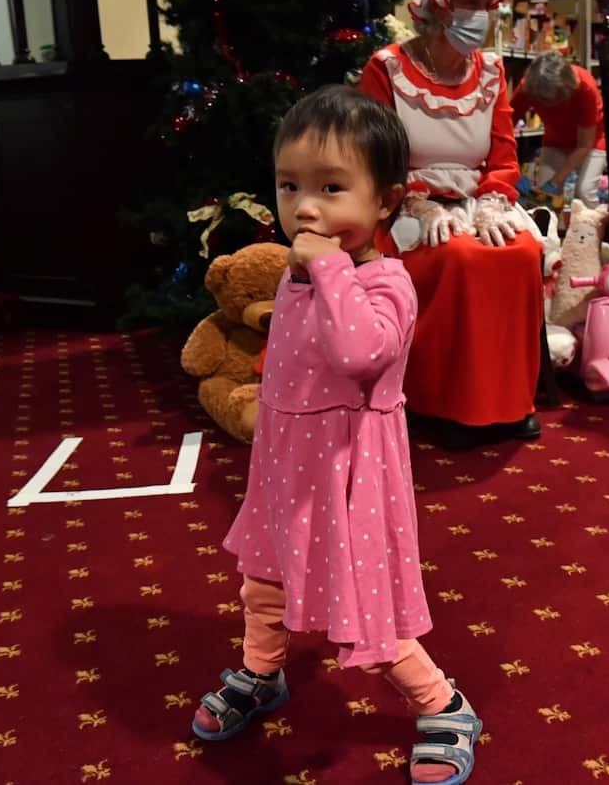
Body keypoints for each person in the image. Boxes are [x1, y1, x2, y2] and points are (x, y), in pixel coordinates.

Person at [191, 86, 482, 785]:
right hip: (286, 469)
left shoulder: (385, 283)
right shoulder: (299, 276)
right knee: (262, 580)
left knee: (364, 616)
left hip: (351, 478)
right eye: (290, 186)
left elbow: (358, 353)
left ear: (384, 200)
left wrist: (327, 268)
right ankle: (262, 671)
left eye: (330, 187)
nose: (306, 208)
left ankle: (443, 702)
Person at [358, 0, 544, 450]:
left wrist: (490, 203)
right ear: (437, 7)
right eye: (472, 4)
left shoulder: (492, 72)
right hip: (404, 203)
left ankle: (511, 401)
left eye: (488, 6)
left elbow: (504, 156)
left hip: (474, 201)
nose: (482, 17)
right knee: (459, 258)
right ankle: (444, 402)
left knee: (522, 252)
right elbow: (373, 159)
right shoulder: (387, 69)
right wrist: (417, 204)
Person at [510, 50, 607, 204]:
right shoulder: (528, 86)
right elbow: (505, 127)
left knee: (584, 192)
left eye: (549, 99)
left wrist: (556, 181)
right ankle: (551, 226)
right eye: (539, 99)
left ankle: (590, 227)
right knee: (544, 199)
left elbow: (584, 145)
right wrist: (510, 170)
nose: (544, 104)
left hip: (593, 140)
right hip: (555, 139)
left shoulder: (585, 88)